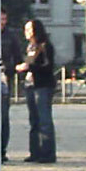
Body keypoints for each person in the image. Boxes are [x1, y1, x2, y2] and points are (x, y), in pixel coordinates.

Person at [16, 19, 56, 163]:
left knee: (44, 120)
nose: (26, 32)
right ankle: (35, 152)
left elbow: (48, 67)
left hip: (42, 86)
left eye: (29, 29)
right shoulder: (30, 47)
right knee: (34, 120)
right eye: (25, 29)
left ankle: (48, 153)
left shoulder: (45, 46)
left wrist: (29, 67)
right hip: (30, 85)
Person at [0, 8, 22, 163]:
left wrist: (12, 71)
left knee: (3, 116)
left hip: (4, 77)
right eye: (0, 19)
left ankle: (2, 150)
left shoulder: (10, 36)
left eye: (4, 19)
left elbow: (18, 57)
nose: (2, 23)